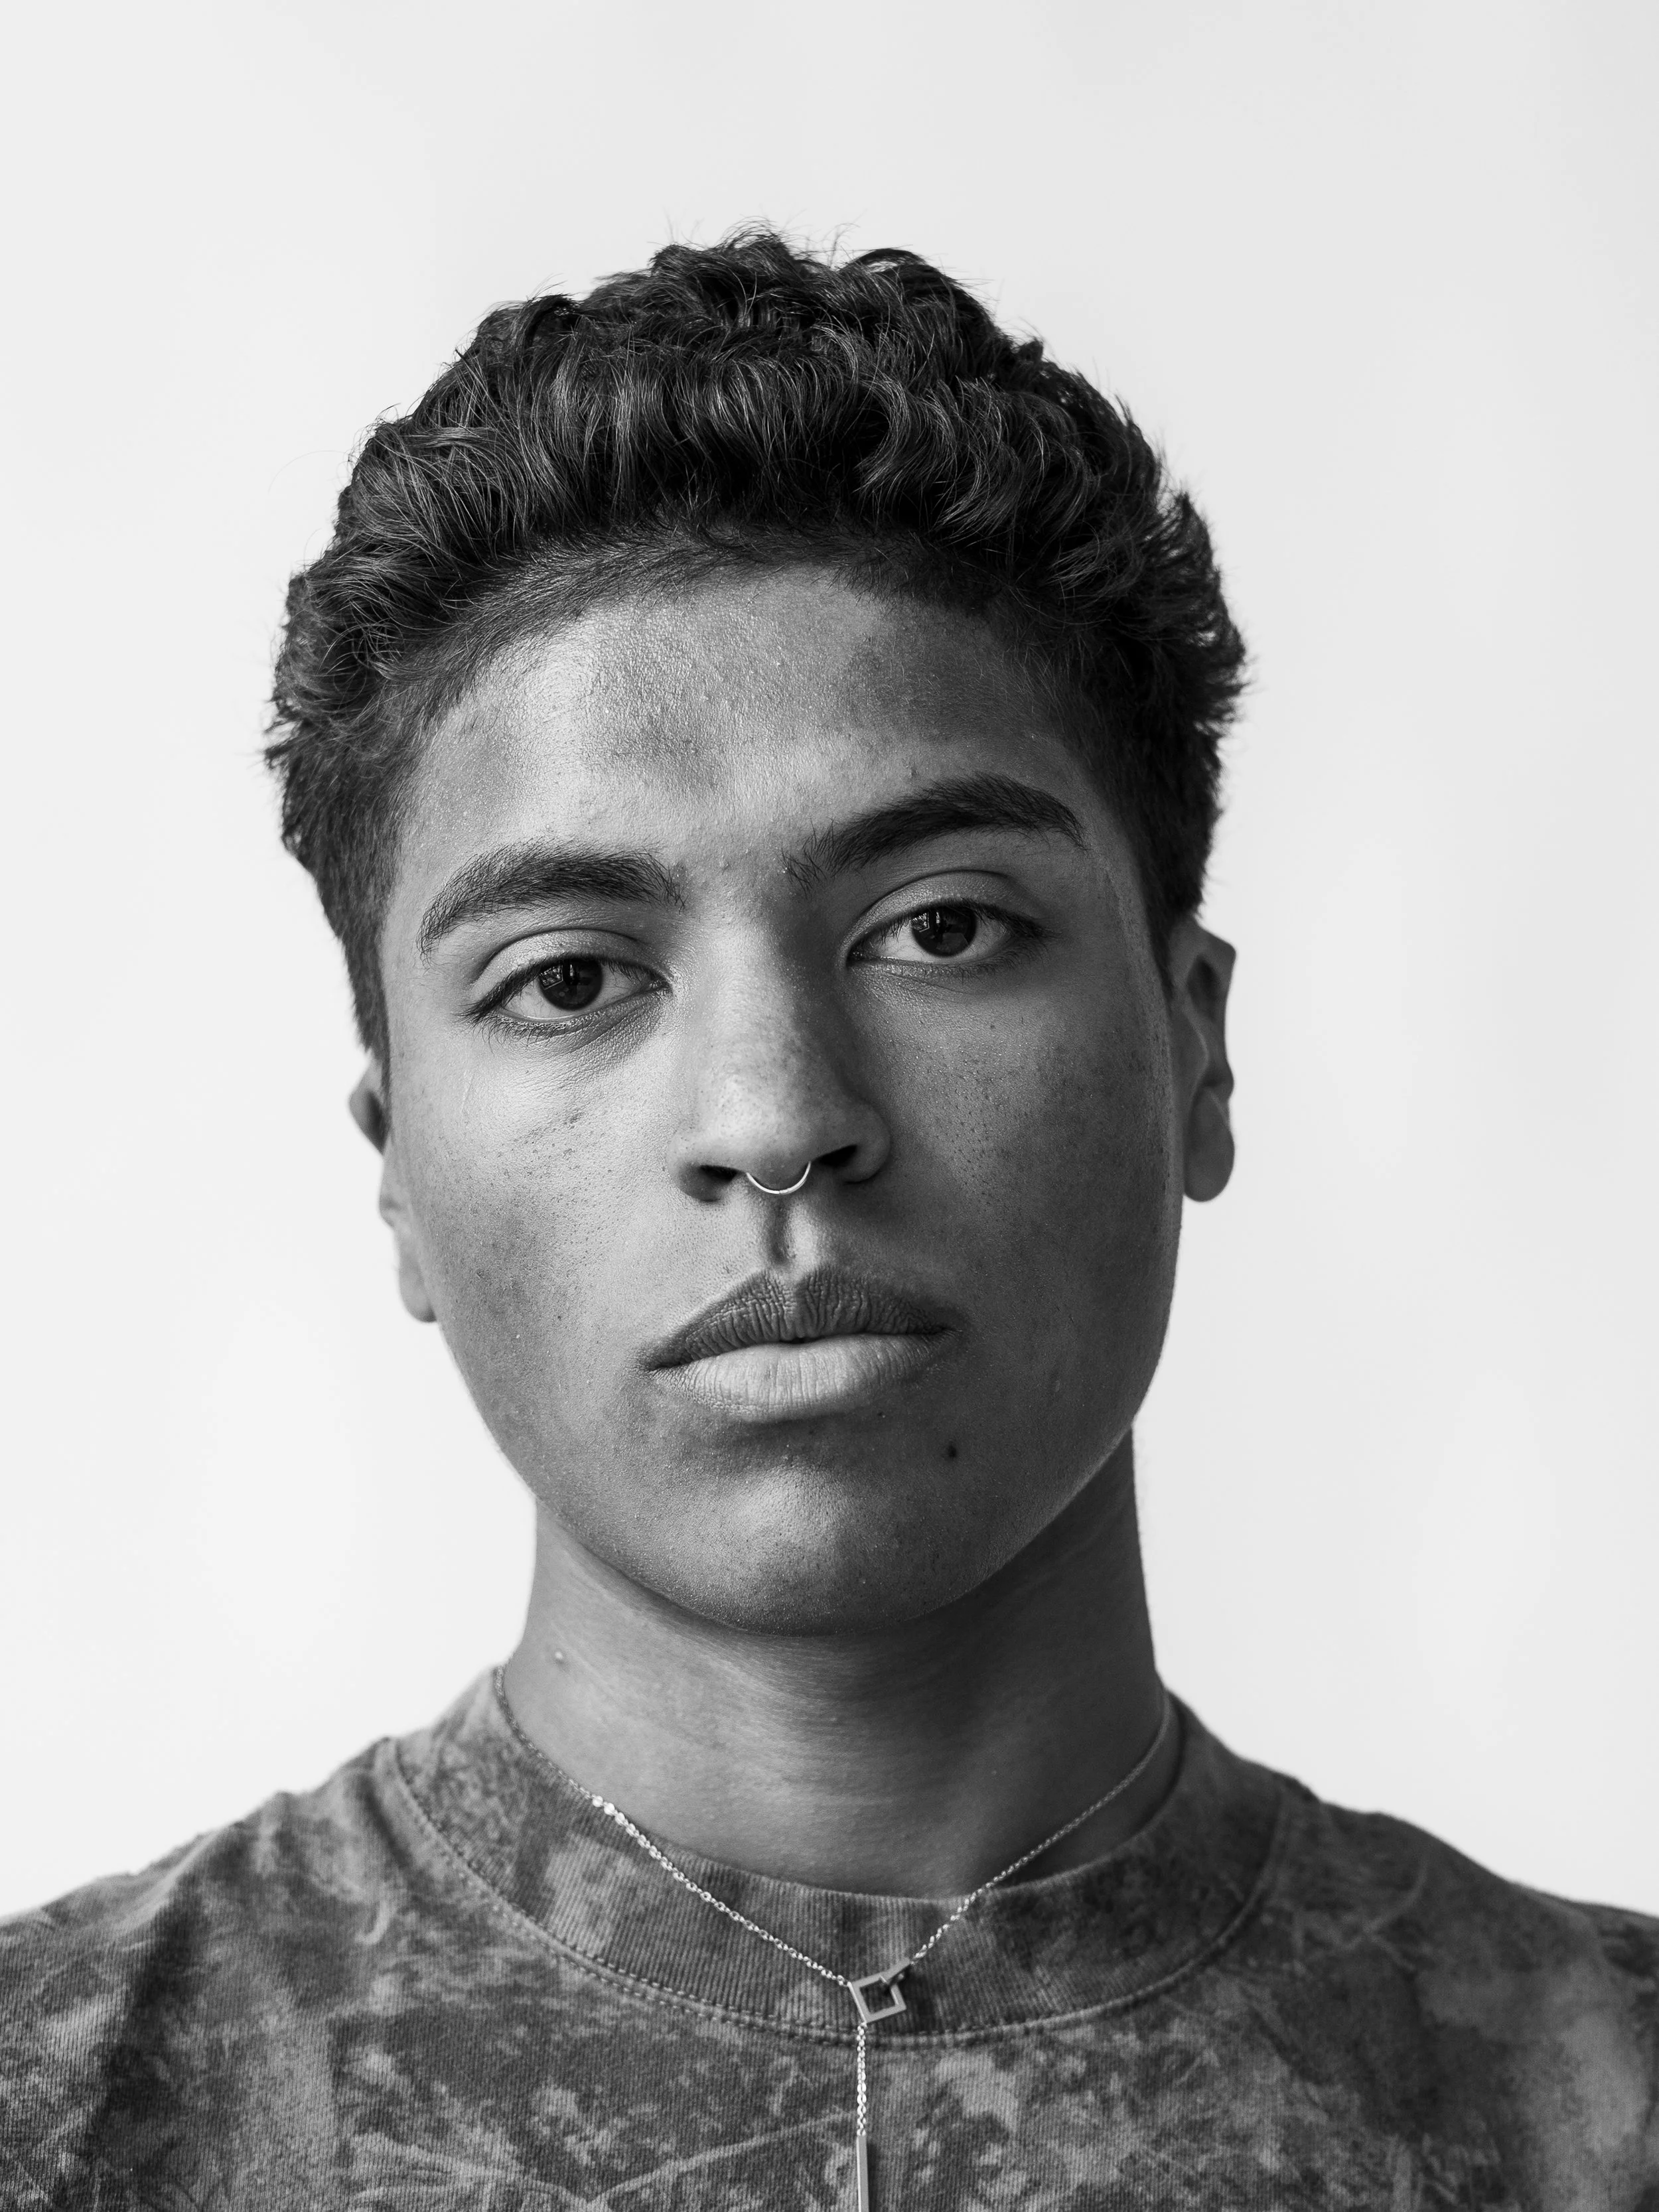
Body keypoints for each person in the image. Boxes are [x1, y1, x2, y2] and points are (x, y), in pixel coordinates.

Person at [2, 231, 1653, 2211]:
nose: (777, 1118)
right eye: (570, 979)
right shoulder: (65, 2111)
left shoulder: (1601, 2103)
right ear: (397, 1170)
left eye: (940, 928)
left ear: (1192, 1049)